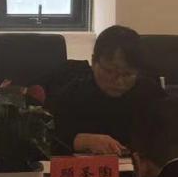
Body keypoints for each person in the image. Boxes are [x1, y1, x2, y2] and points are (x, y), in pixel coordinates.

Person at [49, 25, 166, 155]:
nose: (119, 81)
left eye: (127, 74)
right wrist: (82, 141)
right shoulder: (72, 95)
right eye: (110, 71)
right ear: (94, 62)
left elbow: (172, 136)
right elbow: (46, 140)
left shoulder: (151, 95)